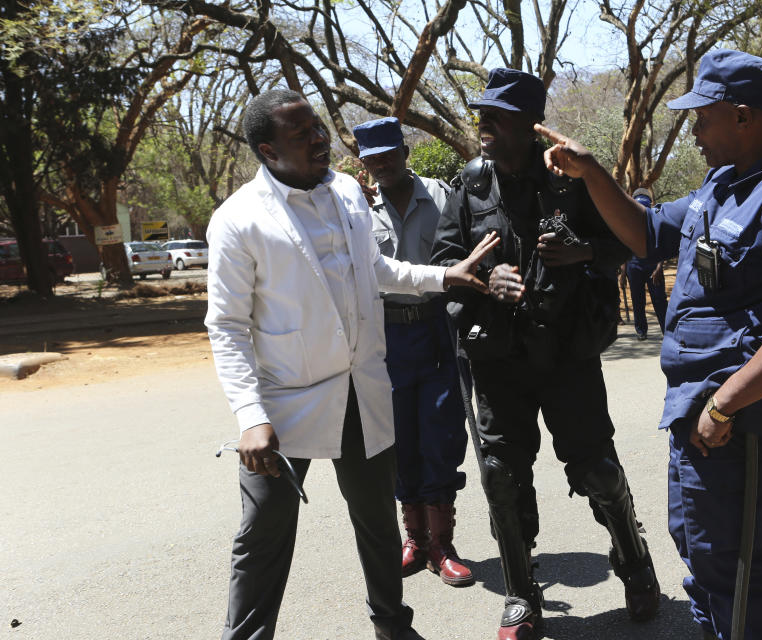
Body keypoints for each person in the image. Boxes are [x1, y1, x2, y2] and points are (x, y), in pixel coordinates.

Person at [535, 48, 762, 639]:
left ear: (742, 116)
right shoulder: (724, 183)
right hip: (698, 411)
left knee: (734, 563)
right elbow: (647, 235)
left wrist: (725, 403)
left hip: (735, 422)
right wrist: (593, 172)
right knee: (699, 547)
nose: (694, 130)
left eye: (702, 117)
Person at [205, 89, 497, 640]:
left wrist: (442, 276)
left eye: (317, 126)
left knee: (378, 528)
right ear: (268, 151)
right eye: (302, 135)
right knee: (263, 537)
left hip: (363, 392)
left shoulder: (344, 192)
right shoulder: (239, 220)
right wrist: (250, 416)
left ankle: (393, 626)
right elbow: (226, 326)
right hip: (283, 408)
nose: (320, 139)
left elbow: (376, 269)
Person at [432, 67, 661, 639]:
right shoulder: (469, 184)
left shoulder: (571, 180)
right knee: (501, 476)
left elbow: (625, 244)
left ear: (529, 126)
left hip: (566, 353)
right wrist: (488, 276)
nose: (484, 126)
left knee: (598, 470)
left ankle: (633, 561)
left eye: (498, 118)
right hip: (497, 358)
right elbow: (446, 262)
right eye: (481, 116)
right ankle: (520, 592)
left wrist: (582, 251)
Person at [353, 116, 473, 587]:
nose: (381, 165)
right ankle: (415, 539)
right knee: (398, 438)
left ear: (405, 150)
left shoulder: (443, 196)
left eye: (388, 154)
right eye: (371, 159)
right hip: (386, 339)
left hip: (439, 331)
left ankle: (443, 544)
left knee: (441, 435)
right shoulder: (357, 209)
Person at [623, 187, 668, 340]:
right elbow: (625, 250)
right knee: (637, 299)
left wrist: (659, 267)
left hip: (653, 265)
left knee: (659, 300)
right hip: (634, 266)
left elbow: (662, 246)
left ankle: (667, 331)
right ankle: (641, 330)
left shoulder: (657, 220)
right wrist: (623, 273)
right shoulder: (628, 222)